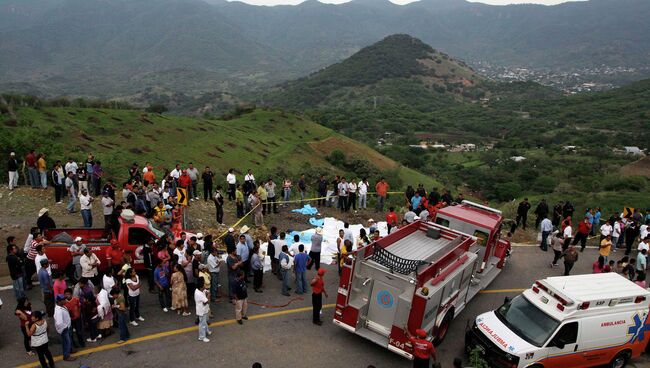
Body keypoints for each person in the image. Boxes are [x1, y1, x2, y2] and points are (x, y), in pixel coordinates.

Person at [54, 294, 75, 361]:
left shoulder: (62, 306)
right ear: (59, 302)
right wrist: (65, 327)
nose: (65, 300)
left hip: (67, 327)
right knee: (66, 342)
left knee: (68, 341)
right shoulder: (59, 311)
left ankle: (70, 350)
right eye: (63, 299)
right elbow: (59, 323)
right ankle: (66, 356)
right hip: (64, 329)